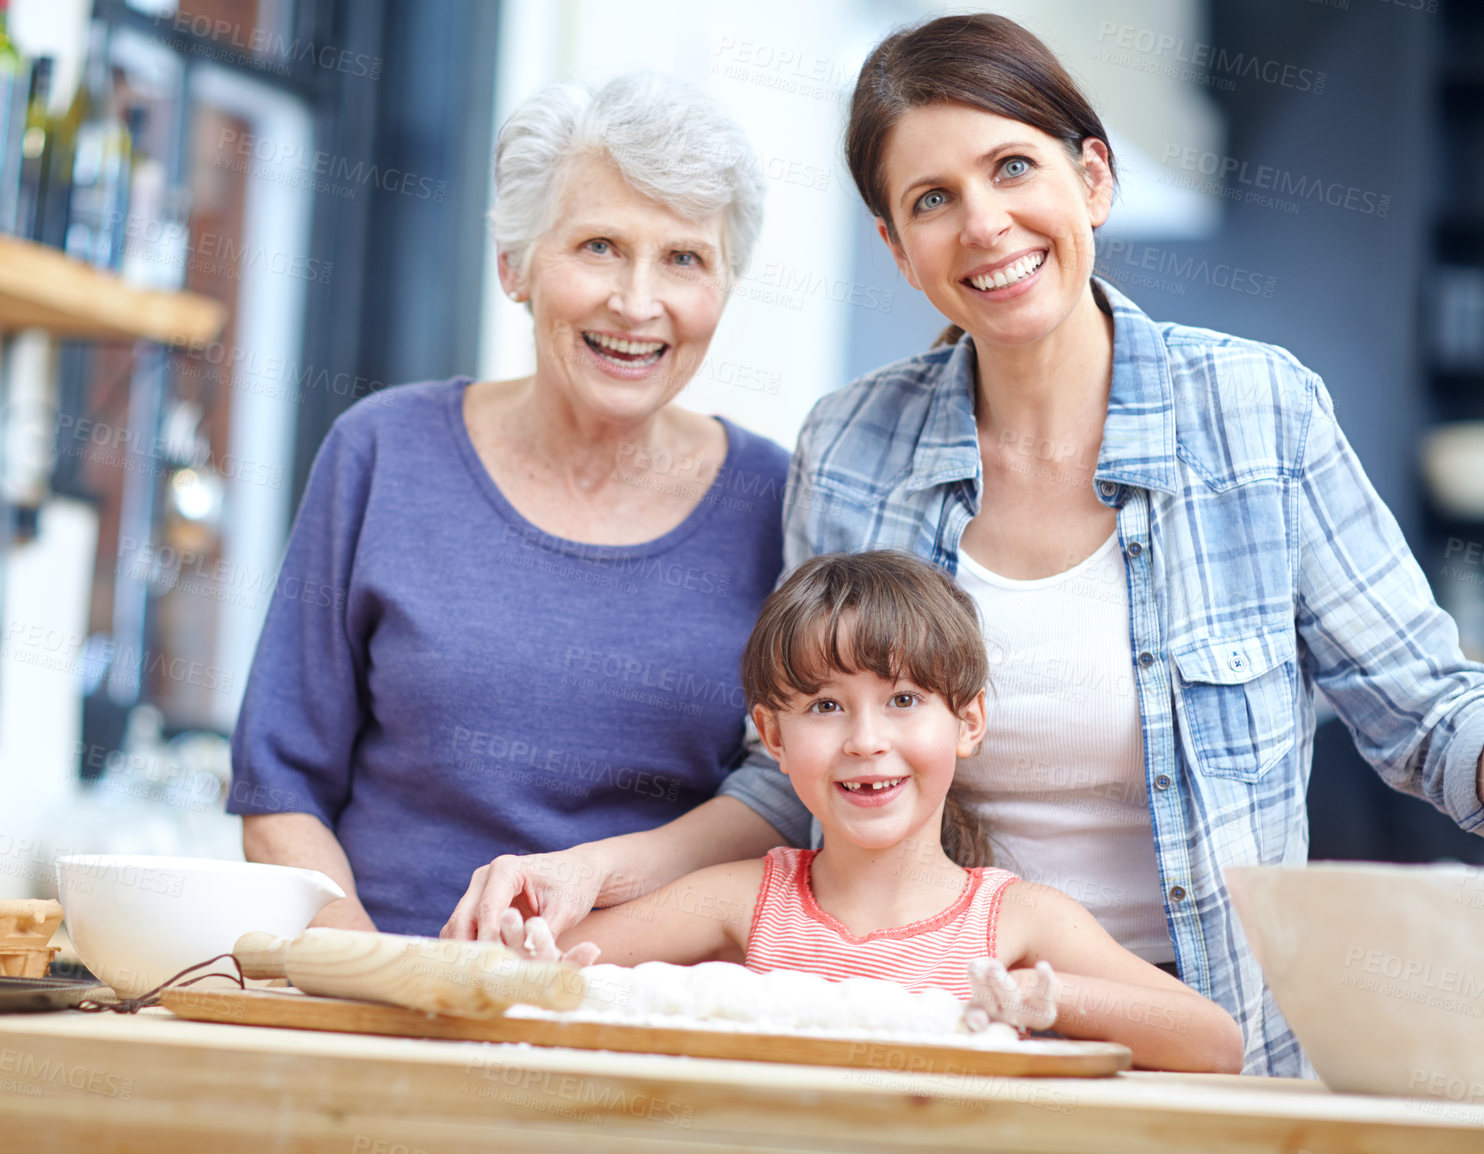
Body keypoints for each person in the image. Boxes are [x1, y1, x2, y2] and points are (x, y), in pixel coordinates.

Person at [447, 15, 1484, 1076]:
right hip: (938, 1059)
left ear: (1092, 178)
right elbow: (788, 768)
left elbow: (1429, 714)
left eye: (1012, 168)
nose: (984, 224)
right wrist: (596, 871)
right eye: (931, 199)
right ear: (896, 248)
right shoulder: (852, 444)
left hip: (1203, 1058)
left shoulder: (1257, 412)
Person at [229, 72, 788, 936]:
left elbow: (781, 798)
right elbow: (279, 790)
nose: (638, 303)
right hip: (384, 998)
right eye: (598, 245)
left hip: (649, 1006)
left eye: (684, 258)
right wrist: (379, 984)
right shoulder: (381, 452)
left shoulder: (777, 502)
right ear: (514, 267)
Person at [501, 551, 1243, 1073]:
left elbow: (1215, 1044)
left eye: (904, 700)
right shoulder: (742, 899)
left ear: (970, 721)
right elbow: (540, 971)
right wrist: (532, 972)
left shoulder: (1021, 923)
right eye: (826, 706)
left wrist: (1047, 1002)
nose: (865, 741)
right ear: (773, 736)